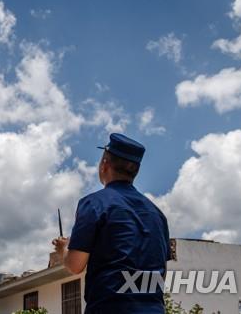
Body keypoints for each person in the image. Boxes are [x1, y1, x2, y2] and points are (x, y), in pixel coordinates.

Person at [53, 133, 171, 314]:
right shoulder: (157, 215)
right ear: (135, 171)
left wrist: (63, 250)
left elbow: (75, 265)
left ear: (104, 164)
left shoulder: (94, 204)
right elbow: (159, 269)